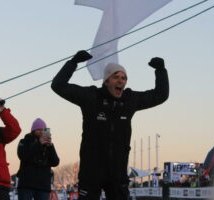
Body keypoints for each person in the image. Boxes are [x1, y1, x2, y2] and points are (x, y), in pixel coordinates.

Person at [51, 50, 169, 200]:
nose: (121, 81)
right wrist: (73, 63)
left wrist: (161, 71)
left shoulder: (129, 100)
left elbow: (160, 95)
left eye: (124, 78)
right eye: (116, 77)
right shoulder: (91, 97)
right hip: (91, 170)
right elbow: (58, 86)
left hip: (117, 172)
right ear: (106, 80)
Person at [17, 118, 60, 200]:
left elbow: (55, 162)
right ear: (33, 130)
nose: (41, 132)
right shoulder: (25, 141)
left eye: (43, 130)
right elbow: (23, 156)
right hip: (27, 184)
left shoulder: (48, 146)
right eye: (38, 129)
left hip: (43, 185)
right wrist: (38, 144)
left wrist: (51, 147)